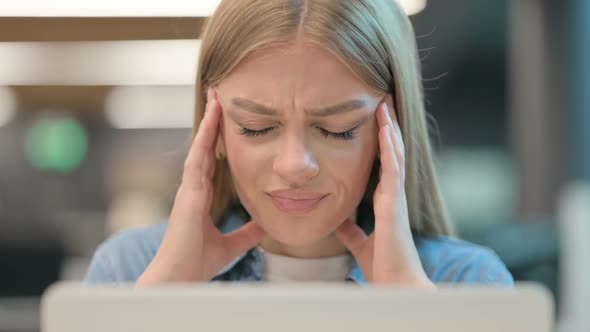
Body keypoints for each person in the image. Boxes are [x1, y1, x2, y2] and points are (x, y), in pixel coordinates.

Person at [85, 0, 513, 286]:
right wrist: (162, 307)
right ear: (212, 129)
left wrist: (411, 313)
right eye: (255, 127)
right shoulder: (130, 269)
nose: (294, 165)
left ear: (393, 130)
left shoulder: (466, 281)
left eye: (338, 128)